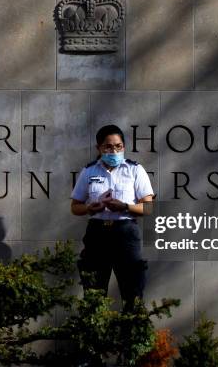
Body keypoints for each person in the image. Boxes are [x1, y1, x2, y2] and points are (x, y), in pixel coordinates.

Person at [70, 124, 154, 312]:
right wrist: (90, 208)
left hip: (126, 233)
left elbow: (148, 207)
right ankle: (95, 338)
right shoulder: (89, 171)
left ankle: (132, 337)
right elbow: (75, 207)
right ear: (99, 148)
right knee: (93, 293)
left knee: (132, 292)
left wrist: (124, 206)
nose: (114, 151)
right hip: (97, 233)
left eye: (119, 146)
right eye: (108, 147)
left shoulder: (135, 170)